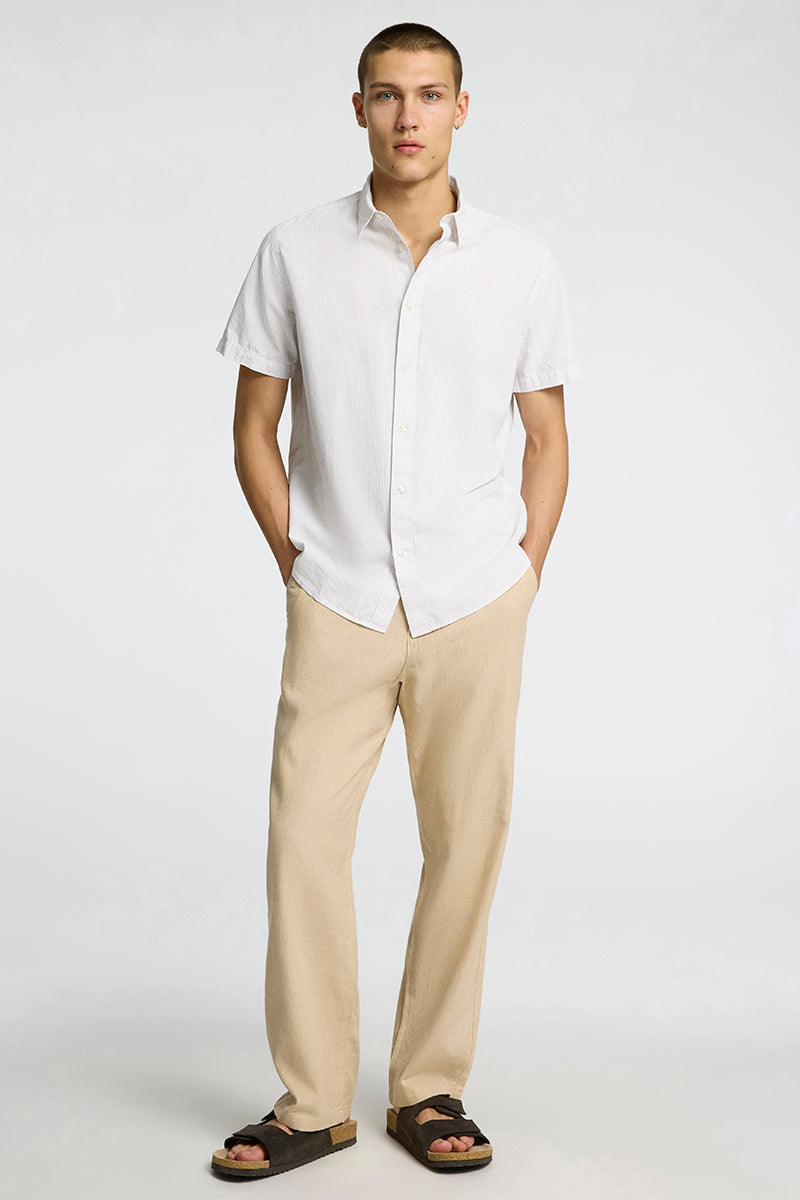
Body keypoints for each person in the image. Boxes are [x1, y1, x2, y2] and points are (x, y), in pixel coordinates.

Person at [210, 20, 583, 1180]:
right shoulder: (294, 252)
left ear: (460, 109)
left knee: (464, 840)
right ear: (358, 108)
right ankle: (311, 1101)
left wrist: (522, 575)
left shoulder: (519, 263)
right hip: (339, 596)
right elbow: (254, 428)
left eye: (427, 95)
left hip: (474, 596)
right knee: (301, 840)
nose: (407, 115)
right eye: (386, 94)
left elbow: (547, 436)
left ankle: (428, 1088)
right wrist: (296, 559)